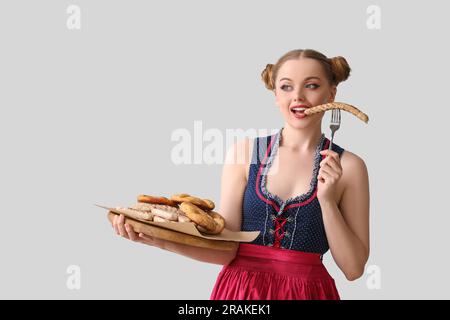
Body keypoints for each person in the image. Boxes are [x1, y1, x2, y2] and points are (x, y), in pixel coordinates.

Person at [112, 48, 370, 300]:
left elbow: (353, 269)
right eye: (286, 87)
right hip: (241, 293)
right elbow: (226, 250)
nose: (298, 96)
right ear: (276, 96)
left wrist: (327, 201)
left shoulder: (349, 167)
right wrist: (157, 239)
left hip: (309, 293)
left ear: (331, 94)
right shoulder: (246, 153)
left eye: (312, 85)